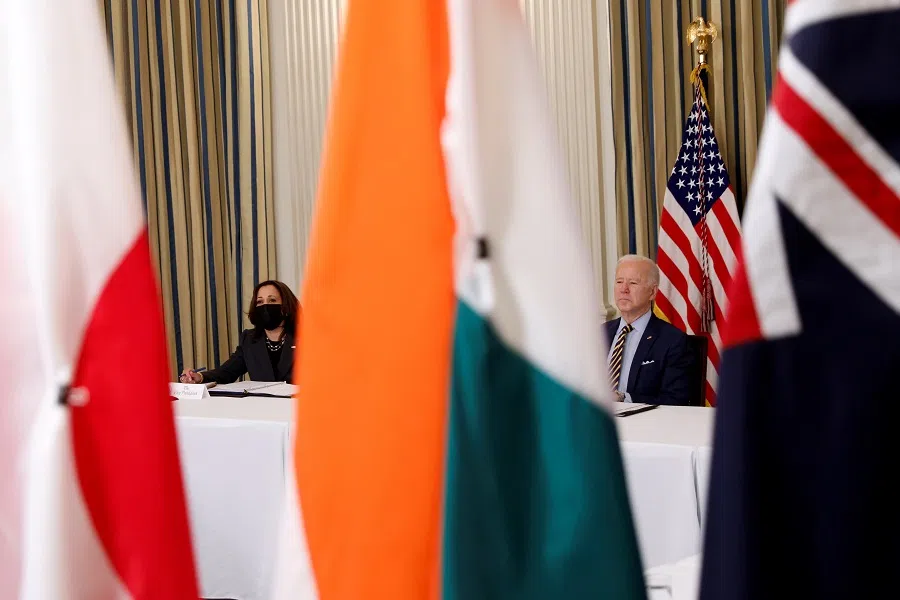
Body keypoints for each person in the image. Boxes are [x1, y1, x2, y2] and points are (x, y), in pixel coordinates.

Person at [603, 255, 693, 406]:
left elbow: (675, 400)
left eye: (633, 283)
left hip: (643, 420)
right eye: (619, 282)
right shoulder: (599, 333)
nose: (624, 289)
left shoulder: (673, 341)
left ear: (652, 292)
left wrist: (623, 398)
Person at [180, 280, 301, 384]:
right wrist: (199, 377)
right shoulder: (249, 339)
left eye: (272, 300)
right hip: (262, 403)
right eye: (260, 302)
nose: (265, 306)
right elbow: (227, 372)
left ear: (286, 306)